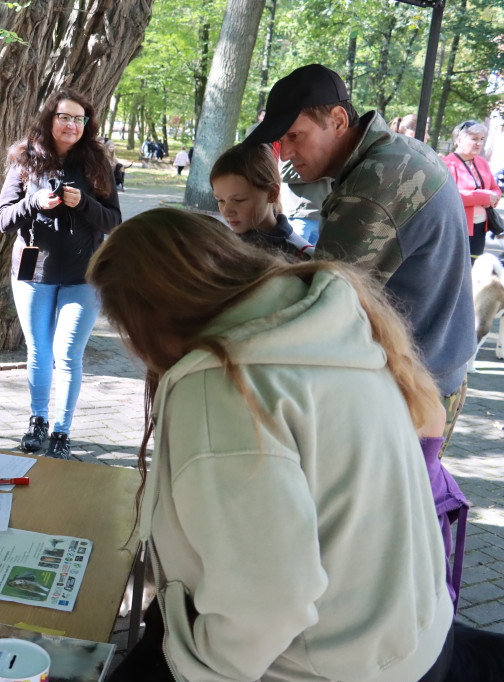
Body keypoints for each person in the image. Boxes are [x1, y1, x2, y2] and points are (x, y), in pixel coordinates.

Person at [90, 208, 456, 682]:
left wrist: (197, 668)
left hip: (320, 665)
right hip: (406, 642)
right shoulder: (328, 327)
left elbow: (269, 600)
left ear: (149, 316)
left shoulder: (222, 389)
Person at [246, 63, 476, 448]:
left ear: (337, 120)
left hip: (411, 394)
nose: (285, 152)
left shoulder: (370, 187)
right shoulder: (400, 151)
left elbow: (322, 305)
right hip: (433, 372)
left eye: (294, 135)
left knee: (383, 508)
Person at [0, 87, 122, 459]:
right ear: (50, 119)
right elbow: (3, 219)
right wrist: (33, 202)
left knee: (67, 355)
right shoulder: (24, 159)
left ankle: (62, 431)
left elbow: (114, 220)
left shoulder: (98, 163)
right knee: (38, 351)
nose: (71, 125)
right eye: (64, 117)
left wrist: (83, 203)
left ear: (87, 124)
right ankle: (38, 421)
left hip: (84, 276)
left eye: (79, 119)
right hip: (34, 273)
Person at [210, 142, 313, 260]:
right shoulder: (222, 246)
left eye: (239, 200)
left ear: (272, 193)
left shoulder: (301, 257)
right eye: (220, 200)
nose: (227, 211)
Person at [442, 120, 501, 259]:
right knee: (455, 266)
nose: (479, 143)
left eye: (481, 139)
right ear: (459, 140)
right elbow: (451, 195)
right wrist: (484, 197)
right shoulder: (448, 163)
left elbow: (495, 189)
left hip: (480, 227)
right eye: (474, 139)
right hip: (457, 227)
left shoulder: (482, 162)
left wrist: (493, 197)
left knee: (472, 267)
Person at [279, 159, 332, 245]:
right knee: (292, 256)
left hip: (322, 216)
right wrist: (322, 171)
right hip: (300, 216)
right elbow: (284, 173)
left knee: (315, 257)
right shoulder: (292, 149)